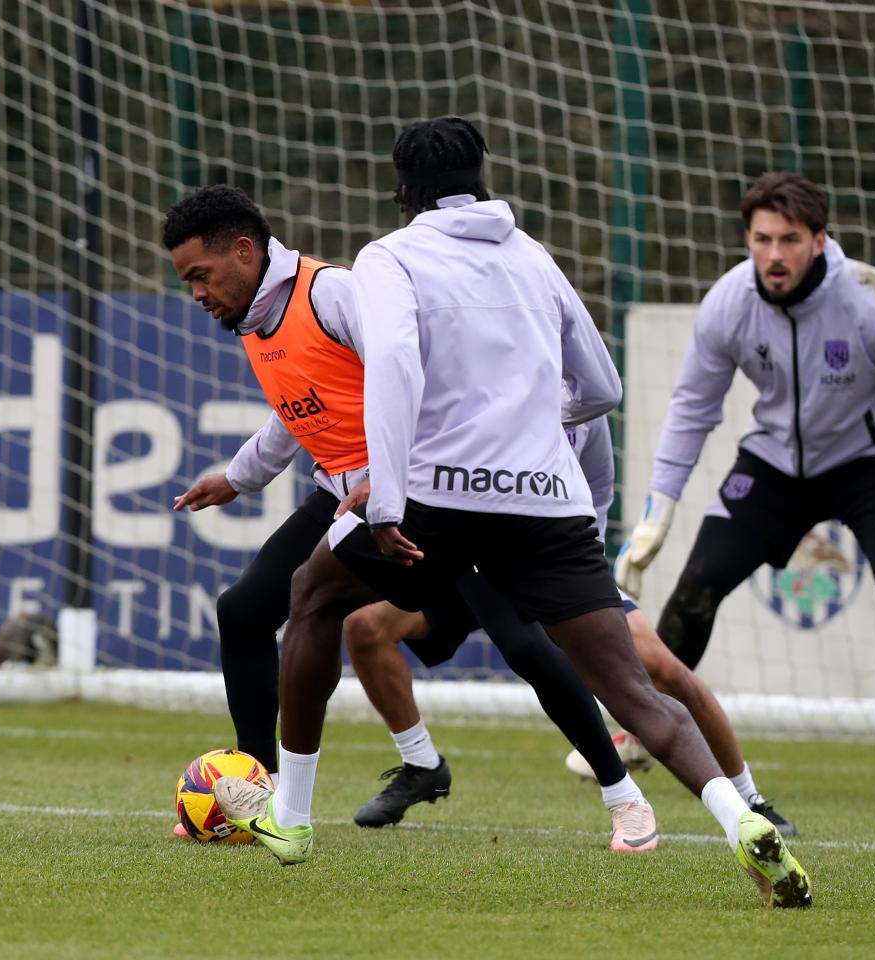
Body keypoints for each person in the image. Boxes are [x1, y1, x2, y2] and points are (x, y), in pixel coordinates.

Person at [213, 117, 811, 909]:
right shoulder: (533, 255)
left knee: (314, 599)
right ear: (480, 177)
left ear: (403, 191)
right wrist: (530, 429)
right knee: (633, 691)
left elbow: (391, 368)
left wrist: (387, 498)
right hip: (547, 504)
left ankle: (290, 817)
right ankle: (740, 820)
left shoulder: (391, 256)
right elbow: (600, 388)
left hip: (437, 499)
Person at [162, 184, 657, 850]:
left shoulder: (331, 294)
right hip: (341, 495)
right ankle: (260, 791)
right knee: (246, 610)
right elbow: (298, 409)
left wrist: (386, 478)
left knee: (523, 643)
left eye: (200, 274)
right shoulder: (253, 317)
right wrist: (239, 477)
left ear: (244, 251)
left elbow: (416, 376)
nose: (196, 292)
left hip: (423, 492)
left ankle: (622, 794)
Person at [614, 171, 875, 810]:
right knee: (698, 586)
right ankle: (638, 733)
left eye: (790, 239)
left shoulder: (873, 303)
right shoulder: (730, 302)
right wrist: (657, 510)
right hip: (774, 467)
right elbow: (691, 410)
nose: (773, 255)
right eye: (761, 239)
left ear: (820, 240)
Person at [344, 413, 798, 837]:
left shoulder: (584, 403)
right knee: (365, 628)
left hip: (550, 564)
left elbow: (598, 486)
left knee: (663, 670)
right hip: (460, 556)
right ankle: (421, 764)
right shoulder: (478, 376)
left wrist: (582, 569)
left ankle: (750, 802)